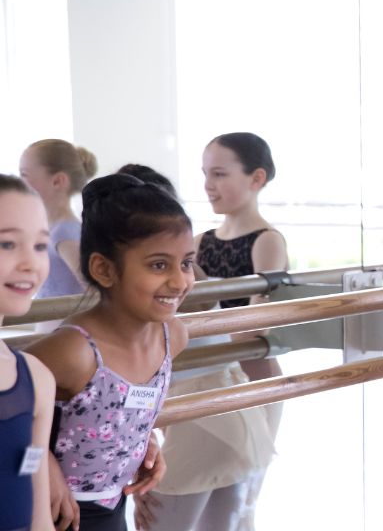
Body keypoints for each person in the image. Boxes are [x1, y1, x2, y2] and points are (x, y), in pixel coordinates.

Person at [27, 174, 193, 531]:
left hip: (115, 505)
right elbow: (9, 406)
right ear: (104, 269)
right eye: (158, 265)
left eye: (186, 263)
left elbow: (125, 407)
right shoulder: (74, 350)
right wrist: (45, 467)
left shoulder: (173, 337)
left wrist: (144, 440)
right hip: (54, 511)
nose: (179, 281)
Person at [139, 133, 285, 531]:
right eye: (205, 174)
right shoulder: (200, 241)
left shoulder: (267, 241)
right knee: (210, 498)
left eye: (220, 174)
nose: (208, 185)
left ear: (256, 178)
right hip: (201, 377)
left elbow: (260, 318)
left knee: (241, 501)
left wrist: (207, 329)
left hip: (248, 374)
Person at [0, 174, 57, 531]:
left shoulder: (36, 378)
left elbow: (39, 520)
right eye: (7, 245)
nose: (30, 263)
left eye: (39, 246)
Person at [19, 140, 98, 331]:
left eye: (24, 175)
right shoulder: (50, 228)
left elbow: (93, 290)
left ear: (57, 181)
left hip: (64, 332)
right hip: (51, 328)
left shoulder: (64, 232)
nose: (18, 182)